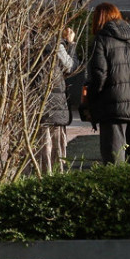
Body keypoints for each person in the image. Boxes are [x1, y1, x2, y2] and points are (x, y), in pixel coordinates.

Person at [85, 3, 130, 164]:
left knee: (114, 157)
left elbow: (99, 75)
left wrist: (91, 100)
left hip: (114, 105)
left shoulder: (101, 40)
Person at [38, 27, 79, 174]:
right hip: (55, 105)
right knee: (56, 153)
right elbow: (71, 67)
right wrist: (71, 44)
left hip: (34, 105)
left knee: (39, 152)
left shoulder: (25, 44)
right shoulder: (54, 44)